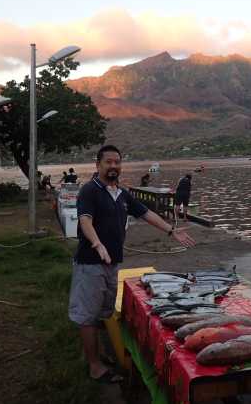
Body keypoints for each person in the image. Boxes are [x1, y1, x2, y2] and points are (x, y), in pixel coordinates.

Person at [68, 145, 195, 384]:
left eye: (117, 162)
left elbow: (146, 214)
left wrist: (172, 231)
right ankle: (94, 366)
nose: (113, 166)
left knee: (102, 312)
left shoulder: (122, 194)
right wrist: (97, 244)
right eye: (108, 162)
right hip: (90, 264)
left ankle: (98, 353)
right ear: (98, 165)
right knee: (87, 316)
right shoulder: (89, 191)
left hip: (111, 263)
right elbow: (85, 221)